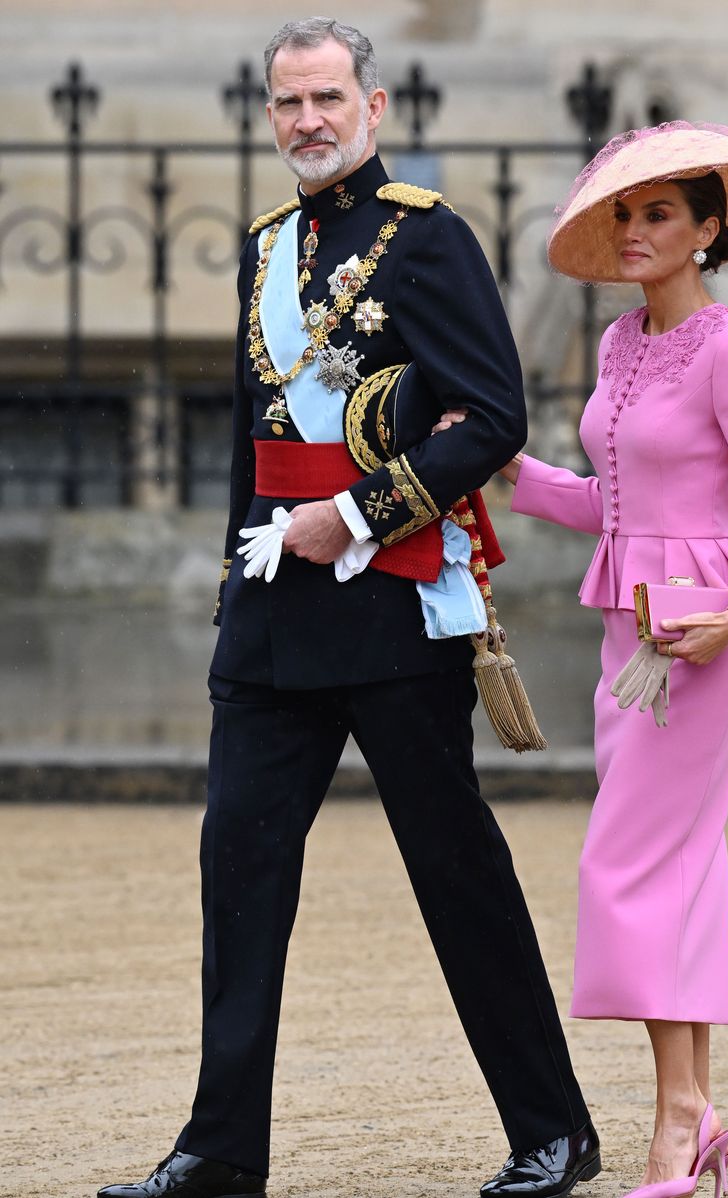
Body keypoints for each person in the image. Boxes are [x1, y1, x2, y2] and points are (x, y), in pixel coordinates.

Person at [97, 18, 599, 1198]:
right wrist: (238, 585)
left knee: (453, 870)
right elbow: (250, 441)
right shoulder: (268, 246)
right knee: (239, 874)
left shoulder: (430, 242)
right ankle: (222, 1149)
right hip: (273, 616)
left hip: (386, 603)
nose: (307, 122)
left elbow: (491, 418)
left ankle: (553, 1130)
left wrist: (362, 515)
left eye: (327, 98)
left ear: (371, 107)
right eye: (287, 103)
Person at [436, 121, 728, 1198]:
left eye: (661, 214)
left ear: (707, 231)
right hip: (625, 631)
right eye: (626, 213)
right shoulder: (616, 345)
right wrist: (499, 461)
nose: (637, 230)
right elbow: (607, 503)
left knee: (630, 866)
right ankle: (694, 1106)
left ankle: (678, 1114)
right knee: (681, 870)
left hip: (700, 639)